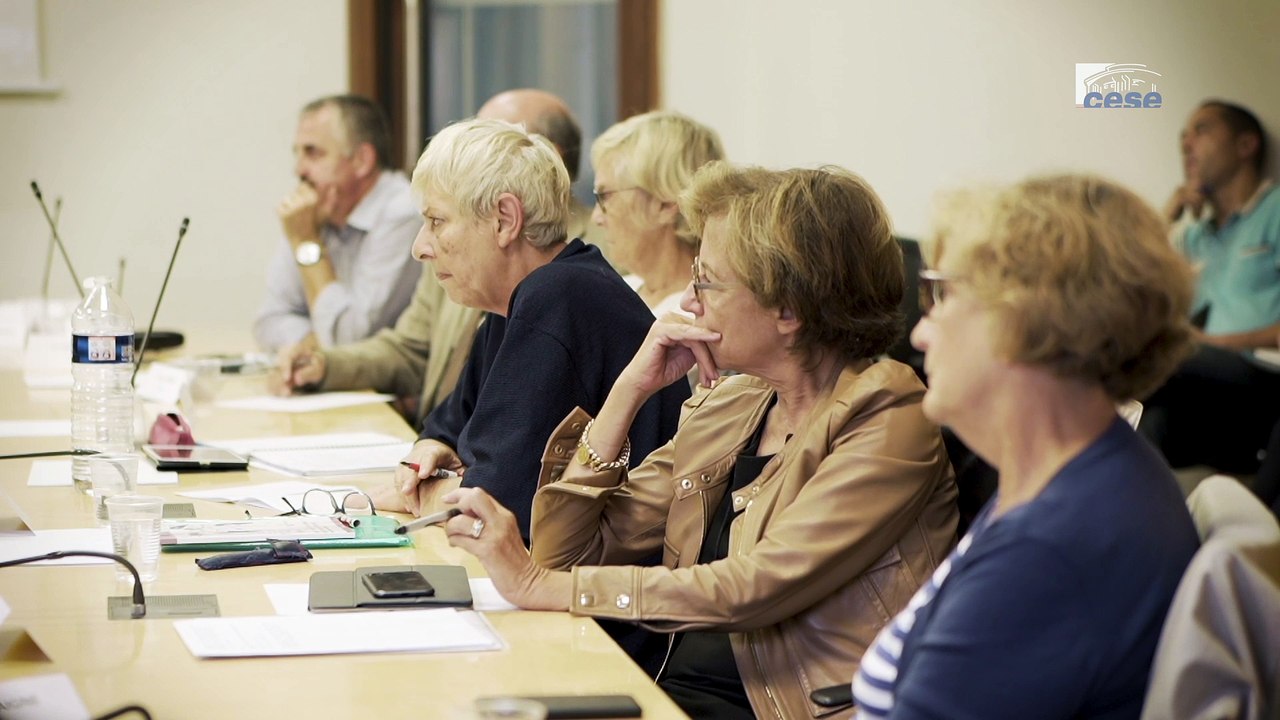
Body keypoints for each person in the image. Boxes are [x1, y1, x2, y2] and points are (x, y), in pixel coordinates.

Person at [435, 162, 958, 719]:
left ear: (788, 309)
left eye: (706, 281)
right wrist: (629, 390)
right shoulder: (736, 403)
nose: (688, 301)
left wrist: (539, 585)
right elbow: (565, 555)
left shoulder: (887, 413)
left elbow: (755, 586)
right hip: (670, 695)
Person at [853, 175, 1201, 719]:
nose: (920, 333)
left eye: (940, 293)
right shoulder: (1070, 473)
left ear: (1022, 320)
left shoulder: (1054, 549)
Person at [375, 117, 690, 541]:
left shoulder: (559, 296)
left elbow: (492, 509)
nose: (420, 248)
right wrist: (429, 452)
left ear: (505, 219)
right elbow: (445, 427)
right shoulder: (513, 304)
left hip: (609, 588)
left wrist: (428, 489)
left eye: (436, 221)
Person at [272, 89, 603, 422]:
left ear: (545, 158)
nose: (421, 248)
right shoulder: (453, 247)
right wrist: (327, 365)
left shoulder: (573, 265)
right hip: (440, 444)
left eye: (490, 144)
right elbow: (410, 350)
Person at [1141, 99, 1280, 478]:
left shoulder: (1275, 211)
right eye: (1183, 135)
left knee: (1158, 356)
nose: (1186, 143)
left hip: (1261, 380)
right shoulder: (1194, 236)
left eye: (1201, 130)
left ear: (1245, 146)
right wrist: (1164, 218)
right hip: (1204, 390)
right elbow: (1125, 287)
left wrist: (1215, 345)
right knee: (1151, 424)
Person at [253, 95, 421, 353]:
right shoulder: (314, 211)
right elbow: (268, 321)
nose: (299, 170)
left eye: (312, 153)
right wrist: (313, 344)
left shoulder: (403, 213)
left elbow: (349, 340)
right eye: (297, 154)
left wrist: (307, 242)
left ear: (361, 160)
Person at [591, 110, 725, 315]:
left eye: (605, 196)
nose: (596, 217)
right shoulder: (615, 292)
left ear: (666, 203)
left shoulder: (703, 314)